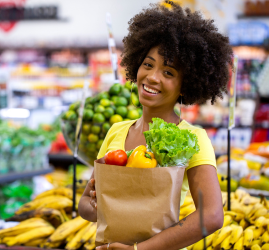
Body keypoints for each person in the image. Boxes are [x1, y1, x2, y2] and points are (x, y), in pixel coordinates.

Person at [78, 1, 233, 250]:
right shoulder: (117, 131)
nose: (152, 77)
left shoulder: (193, 138)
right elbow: (85, 204)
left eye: (168, 72)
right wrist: (98, 205)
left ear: (186, 84)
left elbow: (211, 216)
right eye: (148, 64)